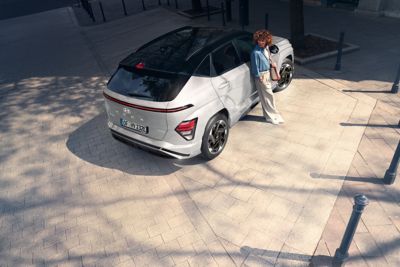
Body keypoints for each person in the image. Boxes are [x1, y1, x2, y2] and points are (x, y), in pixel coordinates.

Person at [250, 29, 284, 125]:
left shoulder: (266, 48)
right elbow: (254, 66)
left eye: (263, 40)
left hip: (267, 73)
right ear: (256, 40)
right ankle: (272, 116)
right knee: (268, 96)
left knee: (266, 97)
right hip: (261, 76)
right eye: (259, 40)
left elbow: (268, 58)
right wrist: (259, 77)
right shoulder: (255, 52)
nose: (261, 42)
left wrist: (271, 64)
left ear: (266, 40)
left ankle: (270, 115)